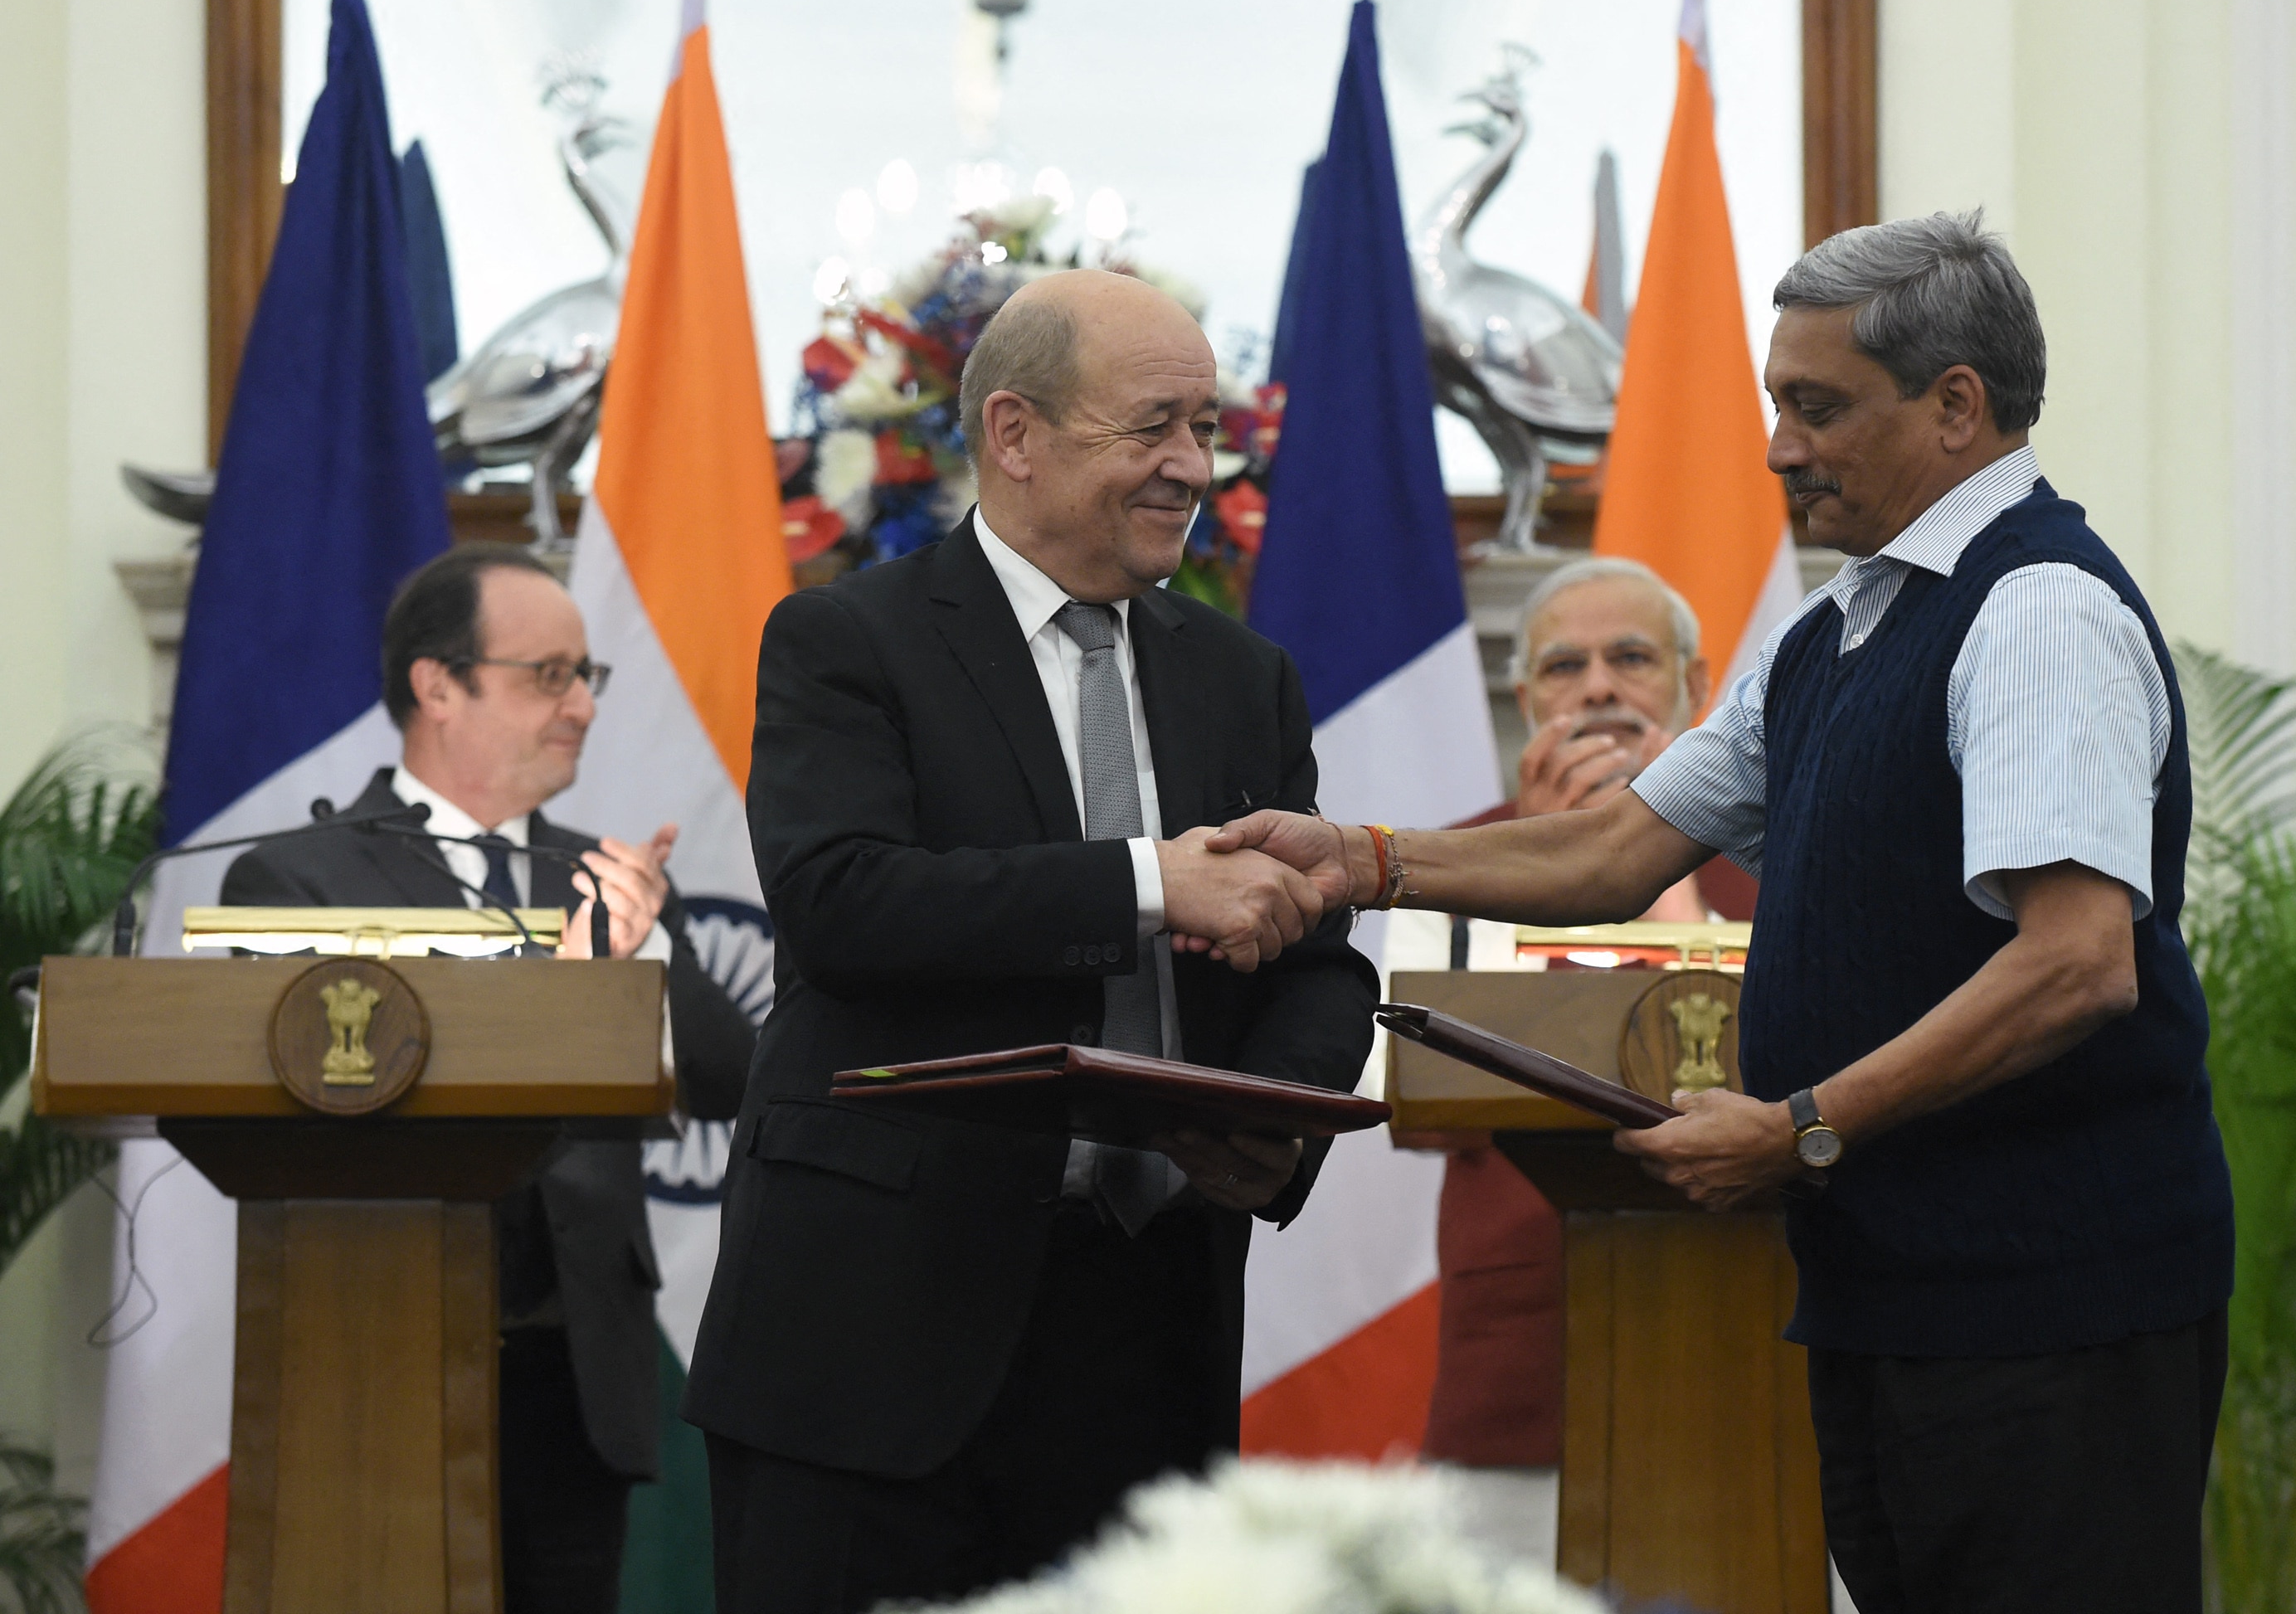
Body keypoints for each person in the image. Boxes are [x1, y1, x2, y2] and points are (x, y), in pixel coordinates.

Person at [1213, 211, 2234, 1613]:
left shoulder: (2036, 613)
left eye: (1816, 407)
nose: (1776, 447)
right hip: (1896, 1299)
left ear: (1957, 406)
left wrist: (1806, 1120)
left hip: (2050, 1309)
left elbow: (2074, 965)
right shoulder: (1832, 633)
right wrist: (1362, 854)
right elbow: (1614, 848)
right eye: (1772, 403)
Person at [684, 269, 1379, 1614]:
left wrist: (1279, 1108)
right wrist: (1143, 881)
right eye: (1154, 427)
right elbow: (843, 899)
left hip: (1146, 1329)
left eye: (1208, 426)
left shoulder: (1244, 678)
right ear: (1014, 433)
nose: (1194, 464)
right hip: (877, 1339)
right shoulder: (846, 639)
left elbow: (1320, 952)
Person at [221, 542, 757, 1614]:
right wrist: (551, 997)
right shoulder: (295, 878)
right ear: (438, 686)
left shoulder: (603, 878)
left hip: (578, 1368)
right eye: (547, 675)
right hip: (380, 1345)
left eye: (585, 677)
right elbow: (314, 1102)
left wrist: (638, 955)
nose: (582, 708)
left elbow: (729, 1074)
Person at [1423, 559, 1724, 1480]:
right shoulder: (1441, 863)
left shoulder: (1787, 849)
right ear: (1525, 695)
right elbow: (1435, 1091)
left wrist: (1658, 872)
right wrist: (1544, 876)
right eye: (1564, 667)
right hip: (1528, 1330)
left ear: (1695, 685)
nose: (1597, 685)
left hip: (1743, 1302)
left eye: (1630, 656)